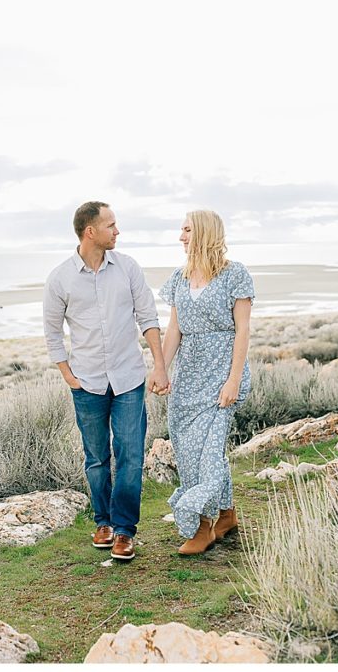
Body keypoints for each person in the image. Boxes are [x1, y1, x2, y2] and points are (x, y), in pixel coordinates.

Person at [43, 201, 170, 561]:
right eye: (111, 225)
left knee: (130, 455)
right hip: (88, 384)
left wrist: (159, 366)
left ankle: (125, 530)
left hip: (129, 378)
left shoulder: (128, 268)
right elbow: (53, 333)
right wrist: (69, 376)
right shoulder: (60, 279)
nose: (117, 231)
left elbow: (148, 318)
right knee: (96, 457)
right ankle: (104, 521)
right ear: (90, 232)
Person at [158, 210, 254, 556]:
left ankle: (201, 524)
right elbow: (174, 330)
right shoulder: (179, 278)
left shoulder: (235, 275)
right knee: (187, 452)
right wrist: (160, 368)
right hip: (187, 379)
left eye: (186, 230)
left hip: (220, 376)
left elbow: (242, 331)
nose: (181, 236)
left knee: (209, 450)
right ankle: (226, 516)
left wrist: (233, 380)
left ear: (203, 233)